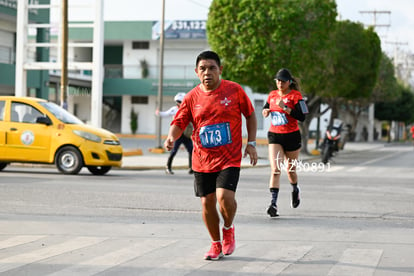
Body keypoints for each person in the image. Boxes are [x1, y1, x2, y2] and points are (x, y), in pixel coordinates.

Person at [164, 50, 258, 261]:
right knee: (207, 203)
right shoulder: (190, 98)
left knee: (225, 197)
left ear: (220, 70)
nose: (207, 72)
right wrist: (171, 137)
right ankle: (216, 244)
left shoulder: (234, 90)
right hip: (202, 159)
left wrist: (251, 143)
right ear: (197, 72)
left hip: (229, 157)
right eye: (203, 69)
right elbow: (179, 123)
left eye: (212, 68)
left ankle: (228, 228)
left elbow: (250, 115)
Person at [262, 68, 307, 218]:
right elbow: (266, 107)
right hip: (275, 135)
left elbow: (302, 117)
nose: (280, 83)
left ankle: (295, 189)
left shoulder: (296, 96)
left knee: (291, 170)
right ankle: (273, 204)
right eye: (278, 81)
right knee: (275, 169)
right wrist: (266, 111)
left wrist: (285, 108)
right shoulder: (272, 95)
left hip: (292, 136)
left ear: (289, 82)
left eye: (283, 81)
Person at [155, 92, 193, 174]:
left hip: (186, 134)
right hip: (177, 135)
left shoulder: (188, 109)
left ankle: (191, 168)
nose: (178, 104)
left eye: (180, 102)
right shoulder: (174, 110)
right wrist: (158, 113)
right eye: (178, 102)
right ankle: (168, 167)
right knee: (174, 151)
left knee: (191, 150)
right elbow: (166, 114)